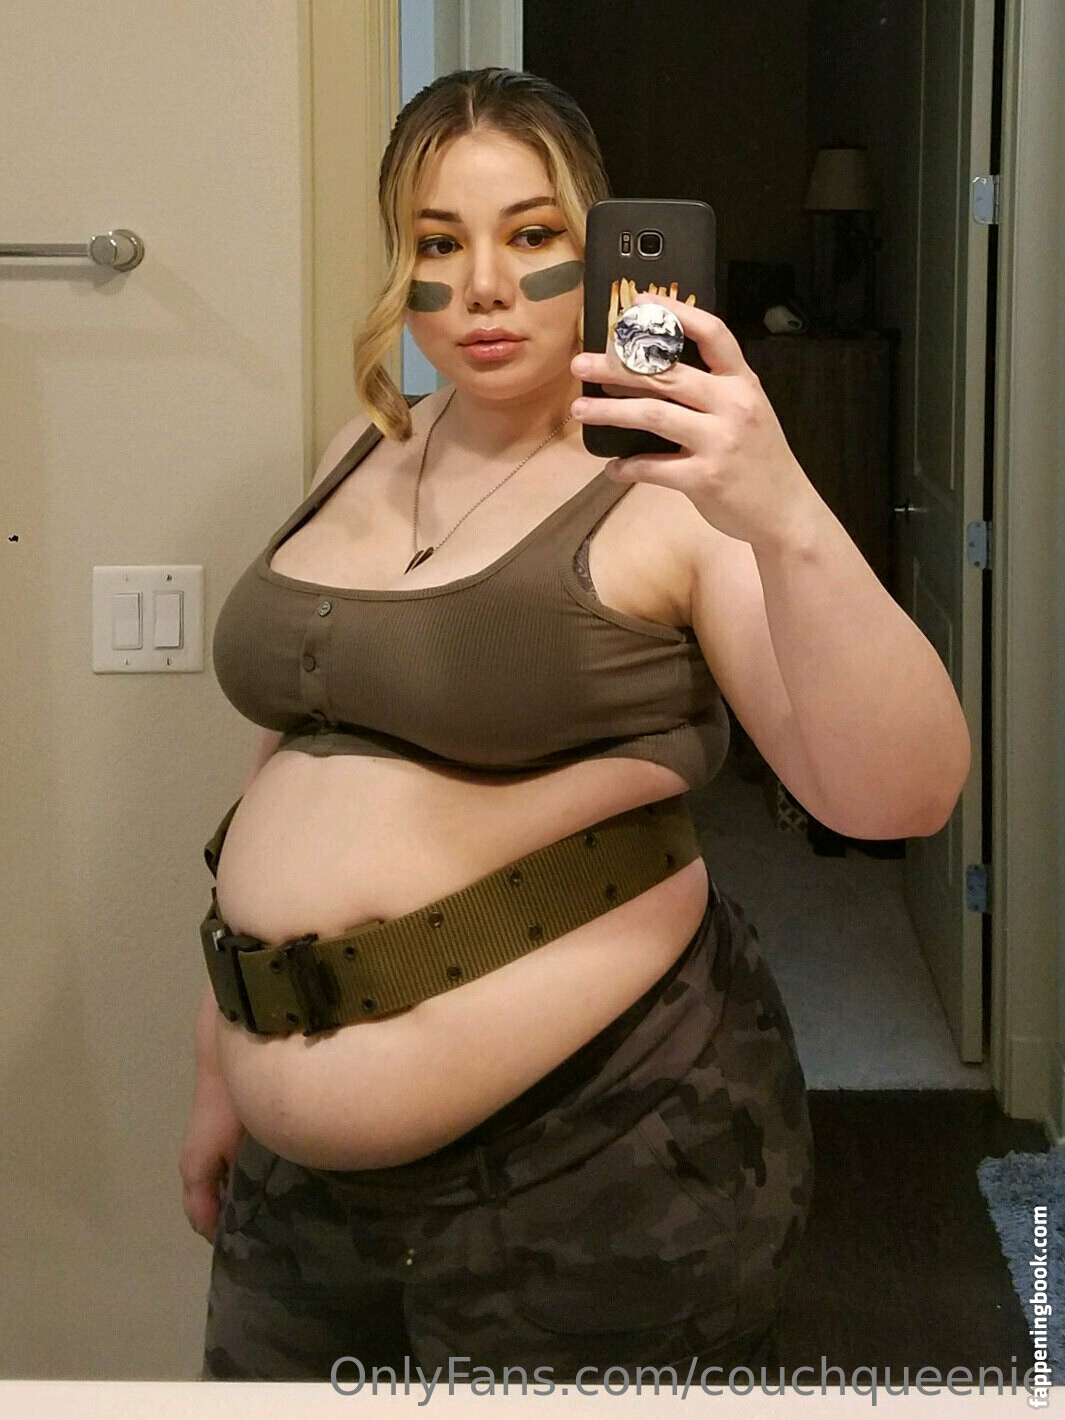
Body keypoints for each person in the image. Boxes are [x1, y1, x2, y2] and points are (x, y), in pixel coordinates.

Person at [180, 68, 971, 1384]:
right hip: (297, 1197)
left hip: (595, 1165)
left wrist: (781, 506)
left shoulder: (673, 494)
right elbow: (288, 759)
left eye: (532, 233)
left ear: (602, 247)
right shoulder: (358, 450)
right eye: (438, 241)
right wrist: (219, 1070)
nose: (483, 286)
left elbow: (901, 794)